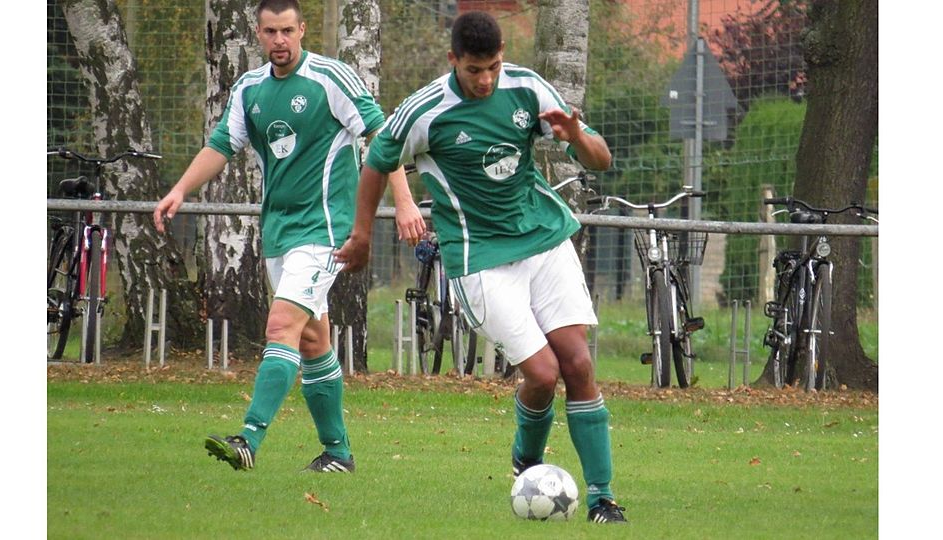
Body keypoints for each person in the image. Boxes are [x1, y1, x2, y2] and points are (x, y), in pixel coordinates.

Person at [335, 11, 627, 524]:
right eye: (474, 70)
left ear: (503, 56)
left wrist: (577, 136)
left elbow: (600, 160)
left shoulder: (528, 89)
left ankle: (603, 498)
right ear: (454, 61)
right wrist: (362, 235)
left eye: (492, 66)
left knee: (578, 365)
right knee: (542, 374)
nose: (486, 79)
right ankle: (527, 459)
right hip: (479, 258)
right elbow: (377, 163)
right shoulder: (425, 112)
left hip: (543, 240)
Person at [153, 0, 424, 473]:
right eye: (269, 32)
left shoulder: (331, 78)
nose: (279, 40)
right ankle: (337, 454)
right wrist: (179, 188)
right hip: (279, 232)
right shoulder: (250, 88)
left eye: (287, 31)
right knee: (313, 341)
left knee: (280, 327)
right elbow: (222, 144)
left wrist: (403, 201)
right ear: (258, 34)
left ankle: (249, 438)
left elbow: (382, 137)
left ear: (302, 31)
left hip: (325, 231)